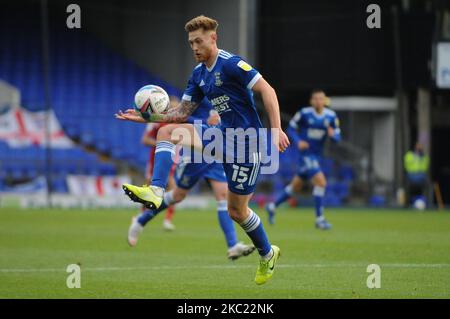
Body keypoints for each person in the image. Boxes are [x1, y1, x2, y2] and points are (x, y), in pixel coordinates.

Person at [115, 15, 290, 285]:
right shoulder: (198, 75)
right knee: (166, 132)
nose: (194, 47)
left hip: (247, 144)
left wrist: (276, 128)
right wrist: (146, 118)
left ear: (213, 38)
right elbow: (181, 113)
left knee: (237, 212)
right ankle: (156, 190)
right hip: (221, 137)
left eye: (198, 41)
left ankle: (268, 254)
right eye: (190, 43)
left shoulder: (232, 64)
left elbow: (267, 90)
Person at [128, 106, 256, 260]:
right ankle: (141, 220)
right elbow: (181, 115)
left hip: (216, 151)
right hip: (195, 153)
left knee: (223, 196)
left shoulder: (226, 93)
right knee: (178, 195)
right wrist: (205, 122)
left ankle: (233, 245)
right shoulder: (202, 90)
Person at [266, 89, 341, 229]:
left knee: (296, 187)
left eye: (321, 98)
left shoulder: (331, 117)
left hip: (317, 156)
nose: (318, 101)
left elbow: (338, 137)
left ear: (325, 101)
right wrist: (298, 141)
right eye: (316, 99)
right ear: (312, 101)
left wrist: (333, 135)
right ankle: (320, 219)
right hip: (306, 155)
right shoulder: (304, 113)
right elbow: (291, 129)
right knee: (321, 182)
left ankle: (272, 206)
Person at [404, 142, 429, 208]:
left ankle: (424, 201)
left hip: (420, 175)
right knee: (411, 188)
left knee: (423, 185)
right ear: (415, 146)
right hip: (411, 174)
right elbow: (407, 165)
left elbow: (425, 166)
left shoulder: (424, 156)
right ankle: (408, 203)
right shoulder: (409, 154)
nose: (419, 147)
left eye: (420, 146)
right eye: (418, 146)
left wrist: (420, 157)